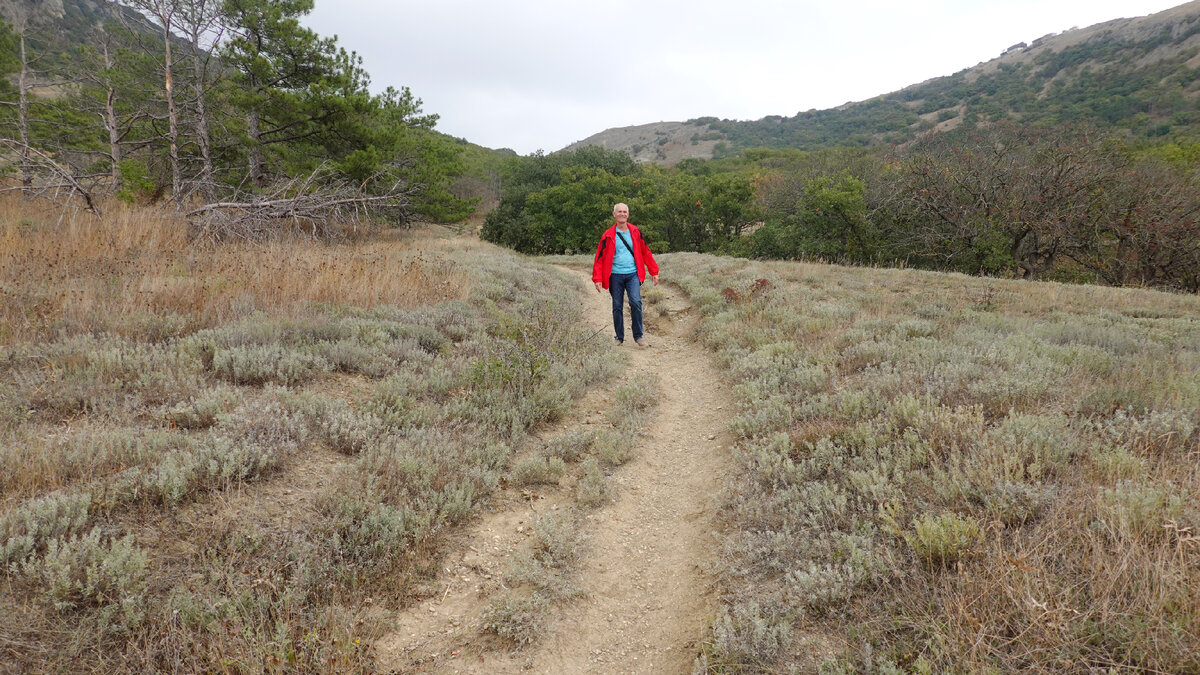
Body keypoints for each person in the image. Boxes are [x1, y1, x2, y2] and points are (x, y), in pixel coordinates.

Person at [592, 203, 659, 346]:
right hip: (615, 276)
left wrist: (654, 271)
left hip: (632, 274)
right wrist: (597, 278)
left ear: (627, 215)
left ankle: (638, 336)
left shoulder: (635, 232)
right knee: (617, 306)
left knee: (636, 302)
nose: (622, 214)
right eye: (619, 212)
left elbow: (645, 252)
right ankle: (619, 337)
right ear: (614, 214)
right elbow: (600, 258)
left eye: (624, 212)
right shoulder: (608, 235)